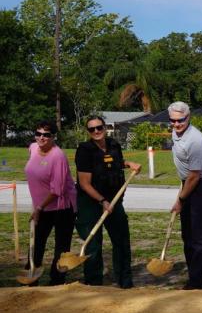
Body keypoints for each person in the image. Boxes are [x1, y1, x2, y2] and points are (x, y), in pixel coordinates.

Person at [74, 115, 141, 288]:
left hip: (114, 201)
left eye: (99, 127)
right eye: (92, 129)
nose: (96, 131)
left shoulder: (113, 145)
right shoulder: (84, 150)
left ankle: (124, 281)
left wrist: (128, 163)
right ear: (88, 132)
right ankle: (94, 283)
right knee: (93, 245)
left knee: (121, 241)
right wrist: (102, 201)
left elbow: (115, 163)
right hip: (91, 203)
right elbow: (84, 183)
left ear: (105, 128)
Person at [168, 102, 202, 290]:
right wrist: (182, 190)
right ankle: (195, 277)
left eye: (180, 120)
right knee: (187, 235)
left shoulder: (195, 140)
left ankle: (198, 282)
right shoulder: (177, 132)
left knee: (198, 237)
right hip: (188, 183)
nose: (176, 124)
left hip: (201, 187)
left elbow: (195, 175)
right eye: (172, 121)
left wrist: (180, 200)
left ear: (188, 118)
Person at [24, 121, 76, 286]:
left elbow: (57, 190)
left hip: (62, 207)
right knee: (36, 242)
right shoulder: (33, 148)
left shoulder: (58, 156)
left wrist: (39, 207)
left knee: (61, 248)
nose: (41, 137)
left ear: (53, 137)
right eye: (38, 133)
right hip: (41, 207)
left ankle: (57, 282)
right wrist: (38, 204)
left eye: (46, 135)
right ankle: (30, 279)